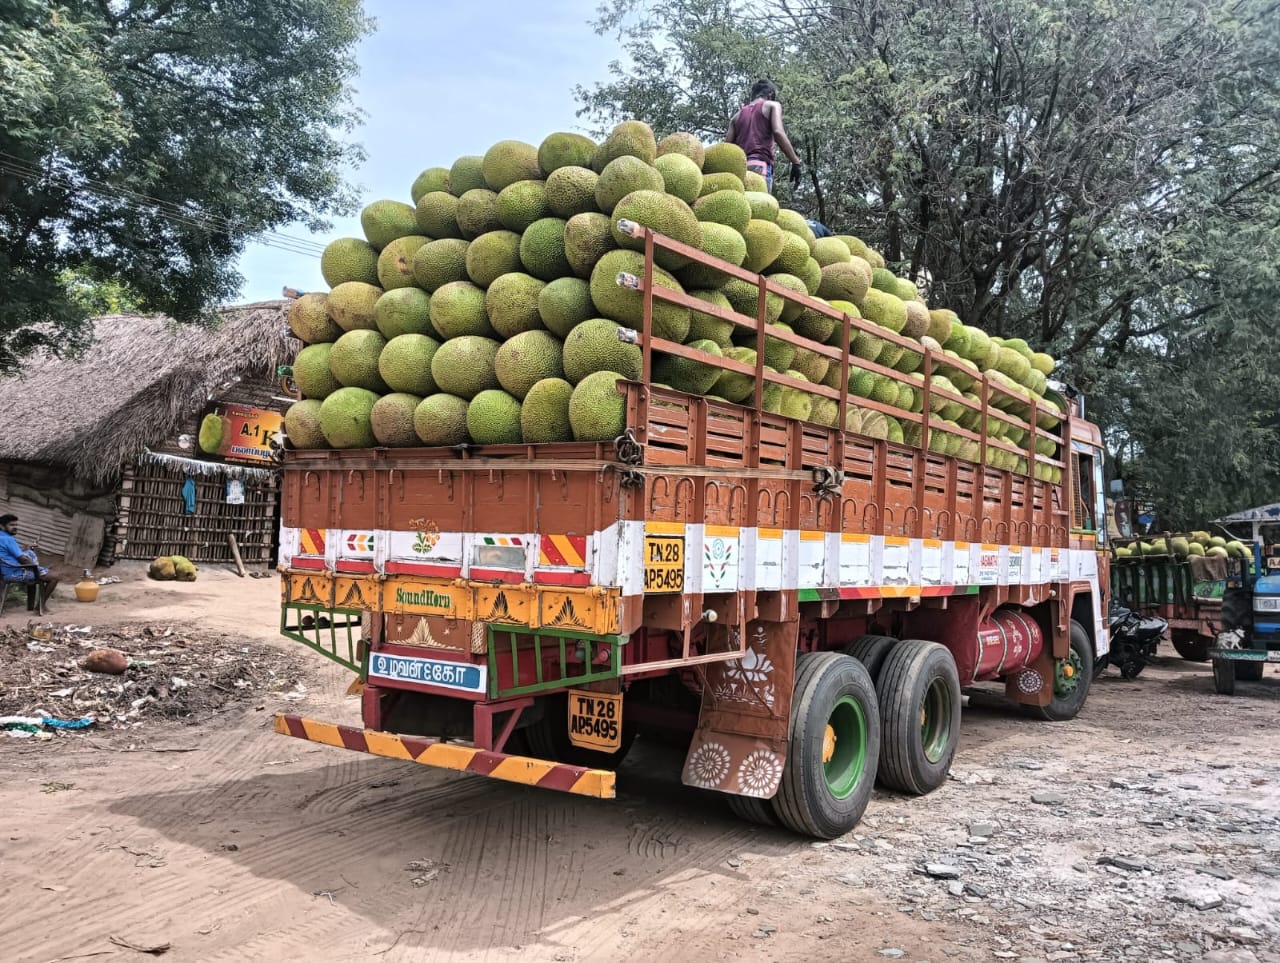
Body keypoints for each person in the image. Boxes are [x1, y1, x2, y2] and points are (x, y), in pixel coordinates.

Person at [726, 79, 804, 193]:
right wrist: (796, 162)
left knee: (744, 209)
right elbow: (778, 132)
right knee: (762, 209)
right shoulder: (772, 105)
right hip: (760, 166)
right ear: (771, 94)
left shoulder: (736, 117)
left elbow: (727, 148)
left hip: (741, 170)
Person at [0, 513, 58, 609]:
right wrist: (36, 570)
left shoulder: (2, 538)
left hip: (5, 571)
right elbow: (22, 559)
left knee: (32, 562)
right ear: (2, 526)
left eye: (16, 525)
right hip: (15, 573)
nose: (15, 527)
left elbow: (11, 554)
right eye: (11, 525)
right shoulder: (8, 539)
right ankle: (40, 607)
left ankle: (31, 606)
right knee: (54, 577)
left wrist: (25, 549)